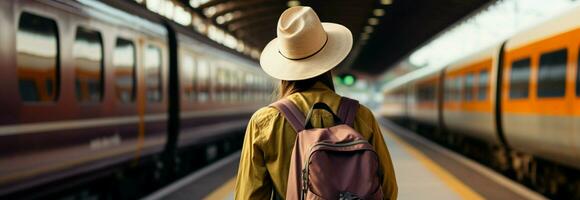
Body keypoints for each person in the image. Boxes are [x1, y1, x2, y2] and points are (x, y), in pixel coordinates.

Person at [235, 6, 397, 200]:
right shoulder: (362, 115)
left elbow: (249, 195)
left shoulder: (265, 122)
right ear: (329, 63)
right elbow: (388, 189)